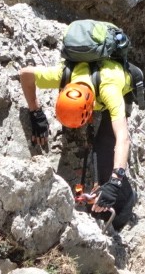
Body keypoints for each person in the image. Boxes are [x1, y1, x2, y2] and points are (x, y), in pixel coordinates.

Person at [18, 56, 136, 228]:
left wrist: (116, 181)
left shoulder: (110, 91)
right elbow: (25, 74)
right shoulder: (62, 75)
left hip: (122, 88)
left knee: (105, 153)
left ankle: (124, 209)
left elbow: (123, 138)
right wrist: (35, 112)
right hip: (90, 86)